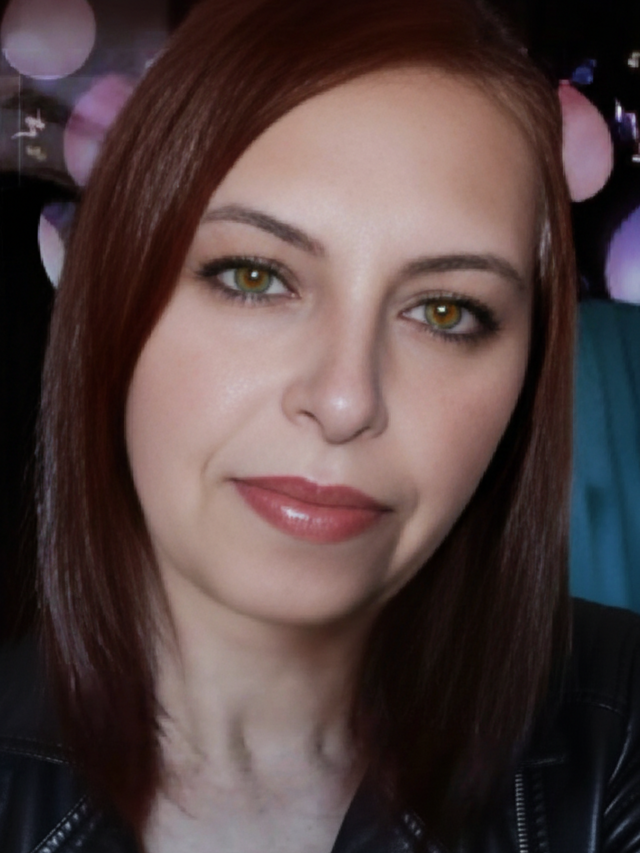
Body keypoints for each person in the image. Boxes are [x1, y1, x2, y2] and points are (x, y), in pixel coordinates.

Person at [1, 0, 640, 850]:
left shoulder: (620, 726)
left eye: (445, 311)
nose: (345, 401)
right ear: (111, 307)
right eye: (255, 277)